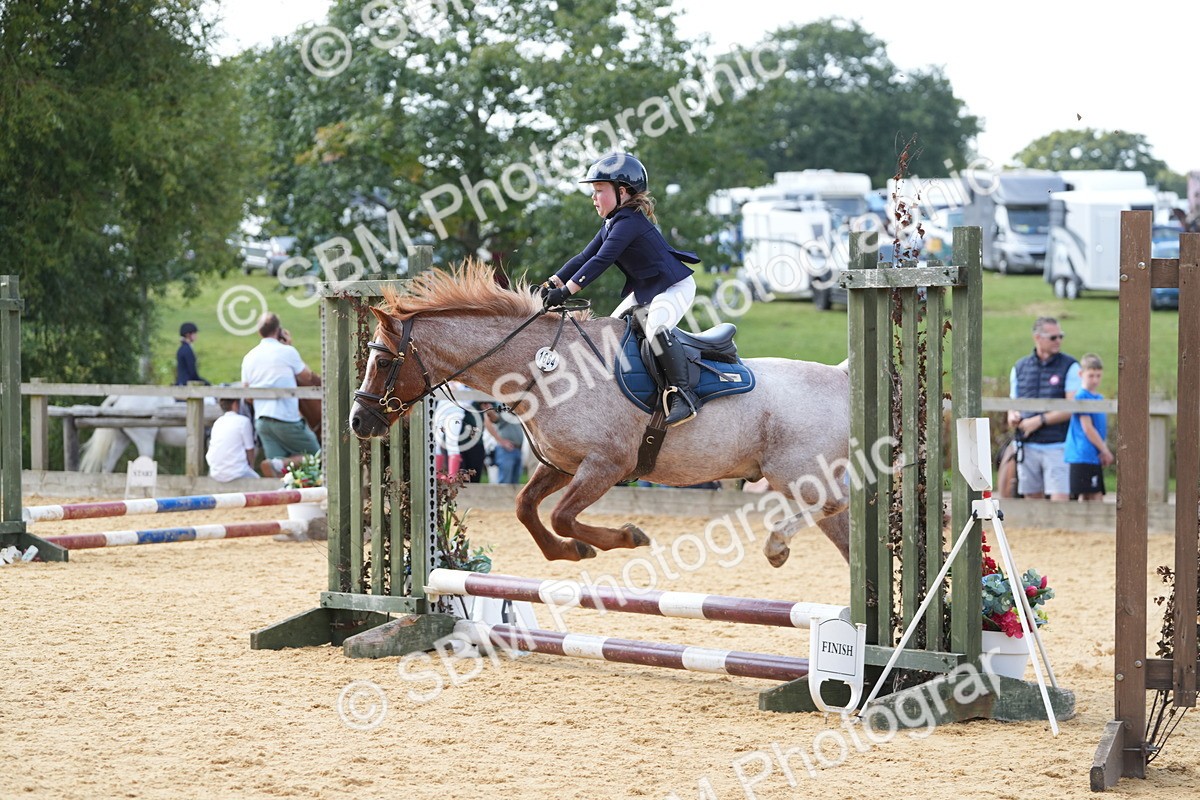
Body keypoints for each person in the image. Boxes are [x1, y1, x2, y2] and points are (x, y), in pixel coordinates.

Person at [539, 152, 702, 426]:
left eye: (599, 190)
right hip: (648, 290)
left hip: (675, 287)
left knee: (656, 327)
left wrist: (565, 292)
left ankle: (684, 396)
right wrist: (549, 284)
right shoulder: (613, 223)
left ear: (622, 192)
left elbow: (602, 260)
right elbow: (583, 257)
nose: (593, 197)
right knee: (610, 331)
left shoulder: (630, 224)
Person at [1007, 316, 1080, 501]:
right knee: (1031, 501)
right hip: (1027, 444)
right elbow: (1013, 403)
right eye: (1053, 337)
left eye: (1060, 336)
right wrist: (1013, 416)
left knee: (1059, 501)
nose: (1059, 341)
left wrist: (1039, 421)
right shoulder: (1019, 367)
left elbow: (1072, 407)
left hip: (1058, 445)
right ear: (1037, 337)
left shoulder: (1070, 366)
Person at [241, 312, 320, 477]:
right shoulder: (287, 352)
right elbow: (307, 377)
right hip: (286, 419)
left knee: (280, 472)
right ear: (279, 330)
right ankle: (280, 463)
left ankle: (278, 467)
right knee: (319, 457)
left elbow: (247, 395)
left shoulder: (249, 357)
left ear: (259, 332)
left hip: (262, 421)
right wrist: (289, 346)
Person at [1065, 353, 1114, 501]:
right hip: (1082, 453)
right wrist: (1105, 450)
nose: (1095, 380)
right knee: (1088, 497)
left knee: (1095, 496)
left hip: (1093, 455)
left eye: (1098, 376)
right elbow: (1088, 428)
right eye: (1091, 375)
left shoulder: (1098, 398)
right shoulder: (1081, 397)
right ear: (1081, 374)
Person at [433, 388, 486, 482]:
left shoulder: (465, 386)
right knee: (437, 443)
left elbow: (469, 401)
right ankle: (437, 475)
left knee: (451, 442)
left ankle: (452, 475)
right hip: (441, 410)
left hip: (455, 411)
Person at [205, 398, 260, 482]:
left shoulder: (218, 422)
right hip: (237, 472)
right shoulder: (243, 421)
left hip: (215, 472)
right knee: (258, 480)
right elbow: (250, 449)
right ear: (235, 404)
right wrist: (251, 466)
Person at [482, 402, 525, 484]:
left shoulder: (515, 406)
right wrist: (500, 441)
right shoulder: (500, 405)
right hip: (506, 450)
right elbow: (491, 419)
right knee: (504, 482)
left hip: (518, 449)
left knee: (515, 483)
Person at [175, 322, 210, 386]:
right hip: (186, 384)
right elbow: (192, 371)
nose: (196, 336)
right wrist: (204, 382)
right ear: (188, 335)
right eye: (194, 333)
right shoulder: (187, 350)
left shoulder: (182, 348)